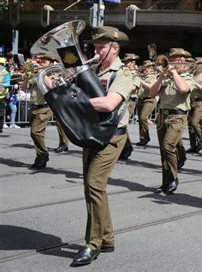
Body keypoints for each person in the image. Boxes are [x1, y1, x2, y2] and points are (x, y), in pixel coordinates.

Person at [72, 26, 132, 266]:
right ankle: (106, 238)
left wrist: (75, 102)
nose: (96, 50)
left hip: (113, 136)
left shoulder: (125, 74)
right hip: (92, 133)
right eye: (95, 46)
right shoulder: (93, 70)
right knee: (92, 187)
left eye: (101, 46)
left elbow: (108, 104)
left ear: (115, 48)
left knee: (95, 183)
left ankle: (92, 243)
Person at [149, 48, 194, 195]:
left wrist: (174, 73)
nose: (176, 62)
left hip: (178, 116)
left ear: (185, 63)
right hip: (162, 115)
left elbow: (183, 88)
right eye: (174, 59)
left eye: (180, 60)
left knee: (168, 145)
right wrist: (161, 77)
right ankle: (166, 182)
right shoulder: (165, 77)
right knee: (163, 150)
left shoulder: (187, 77)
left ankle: (174, 178)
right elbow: (151, 92)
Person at [22, 54, 55, 169]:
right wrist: (27, 75)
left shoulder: (53, 74)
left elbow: (51, 86)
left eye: (44, 62)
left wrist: (42, 71)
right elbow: (24, 88)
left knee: (35, 132)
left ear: (50, 63)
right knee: (38, 134)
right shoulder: (36, 73)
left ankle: (43, 155)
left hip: (45, 107)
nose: (41, 63)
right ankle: (40, 157)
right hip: (34, 106)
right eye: (40, 61)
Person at [119, 53, 141, 160]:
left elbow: (133, 87)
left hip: (130, 101)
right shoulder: (122, 72)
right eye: (129, 61)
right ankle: (125, 147)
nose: (132, 63)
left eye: (133, 61)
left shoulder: (135, 74)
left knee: (123, 124)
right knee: (120, 124)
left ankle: (127, 147)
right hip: (121, 100)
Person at [135, 60, 158, 146]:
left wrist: (141, 81)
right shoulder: (143, 77)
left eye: (147, 68)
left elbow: (151, 87)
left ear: (151, 68)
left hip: (149, 99)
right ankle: (143, 138)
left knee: (143, 117)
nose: (145, 70)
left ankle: (146, 137)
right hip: (141, 99)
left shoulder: (153, 77)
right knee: (140, 120)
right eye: (144, 68)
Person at [0, 56, 11, 132]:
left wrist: (2, 86)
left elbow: (7, 83)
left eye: (1, 64)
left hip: (2, 96)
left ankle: (0, 127)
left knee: (0, 113)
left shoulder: (6, 73)